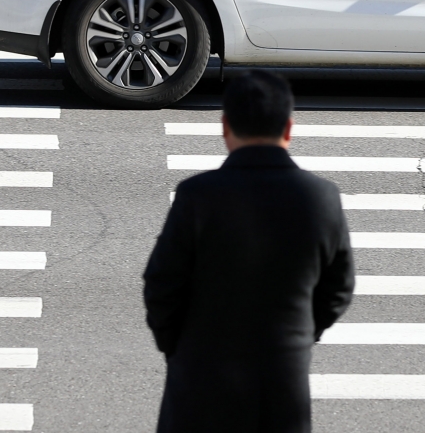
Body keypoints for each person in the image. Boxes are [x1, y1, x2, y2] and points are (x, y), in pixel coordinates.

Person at [143, 71, 354, 433]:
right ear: (288, 128)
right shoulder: (322, 197)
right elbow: (338, 288)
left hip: (200, 380)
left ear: (225, 127)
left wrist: (177, 348)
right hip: (282, 381)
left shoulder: (198, 195)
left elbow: (162, 285)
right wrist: (302, 333)